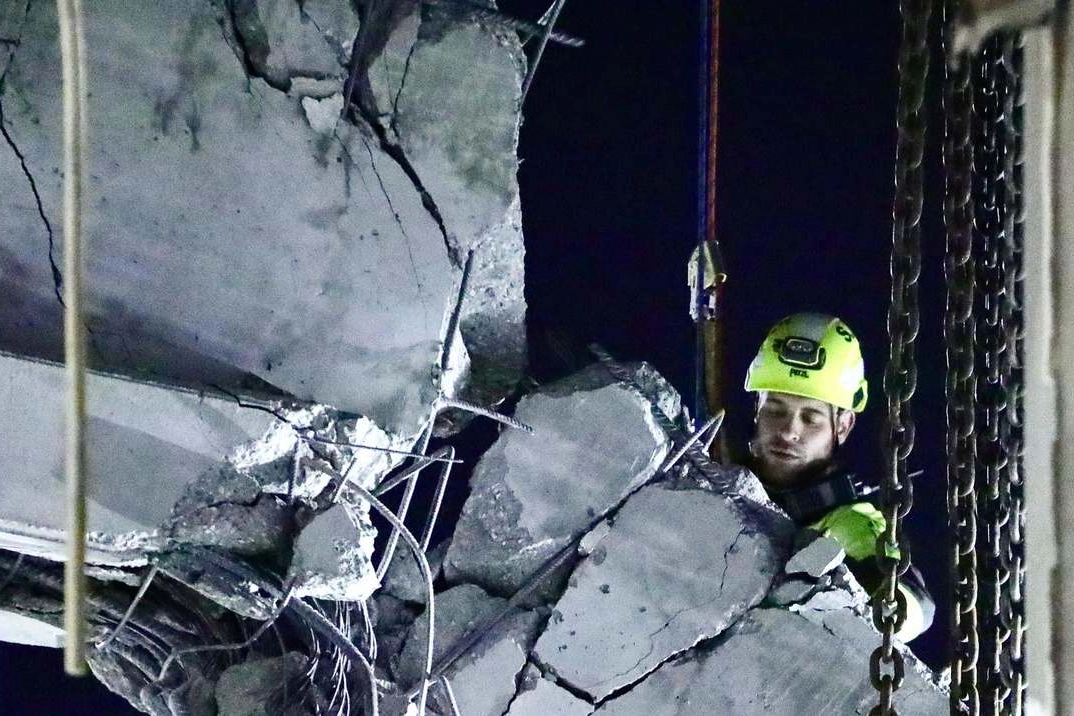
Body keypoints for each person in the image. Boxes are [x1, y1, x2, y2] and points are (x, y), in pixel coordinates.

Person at [743, 312, 934, 641]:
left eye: (811, 417)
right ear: (756, 410)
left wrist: (893, 605)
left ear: (842, 426)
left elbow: (915, 603)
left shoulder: (846, 525)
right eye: (775, 409)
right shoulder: (713, 480)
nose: (789, 431)